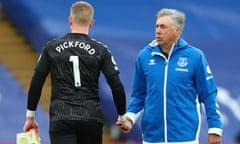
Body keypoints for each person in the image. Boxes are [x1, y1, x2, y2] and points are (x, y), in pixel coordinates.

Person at [23, 1, 127, 144]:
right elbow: (116, 85)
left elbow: (37, 81)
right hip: (90, 117)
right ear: (91, 23)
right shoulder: (101, 50)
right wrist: (122, 116)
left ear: (70, 20)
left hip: (61, 115)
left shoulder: (51, 47)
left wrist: (30, 116)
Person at [116, 8, 223, 144]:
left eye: (163, 27)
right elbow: (139, 94)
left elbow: (209, 94)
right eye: (157, 26)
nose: (158, 31)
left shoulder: (195, 56)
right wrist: (130, 118)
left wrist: (215, 129)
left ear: (177, 31)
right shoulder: (144, 56)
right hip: (151, 138)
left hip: (184, 138)